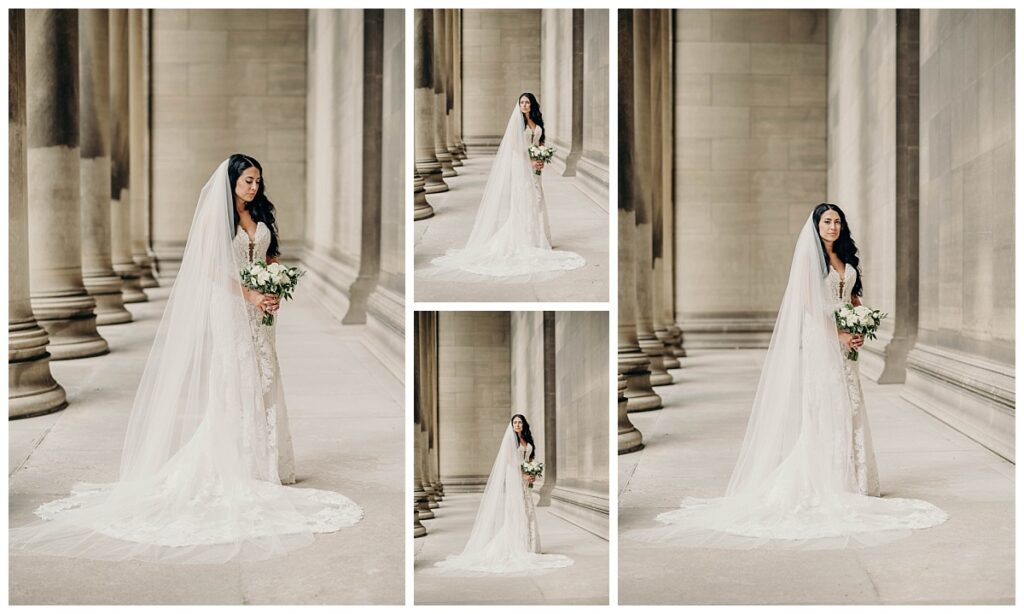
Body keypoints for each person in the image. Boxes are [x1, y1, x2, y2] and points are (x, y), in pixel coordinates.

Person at [10, 155, 362, 564]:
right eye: (248, 181)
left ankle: (266, 462)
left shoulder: (260, 213)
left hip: (260, 310)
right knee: (237, 376)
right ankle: (236, 461)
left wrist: (274, 285)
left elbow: (269, 255)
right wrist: (248, 293)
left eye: (257, 181)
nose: (254, 187)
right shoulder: (217, 221)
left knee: (266, 375)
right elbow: (211, 270)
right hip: (229, 306)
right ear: (231, 182)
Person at [627, 204, 948, 549]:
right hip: (821, 340)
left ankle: (854, 480)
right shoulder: (812, 261)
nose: (833, 227)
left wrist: (859, 325)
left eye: (837, 222)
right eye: (827, 221)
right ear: (816, 225)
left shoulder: (845, 259)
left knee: (850, 401)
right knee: (825, 402)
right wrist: (838, 334)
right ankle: (825, 478)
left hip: (844, 343)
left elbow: (853, 299)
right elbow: (811, 305)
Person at [429, 93, 585, 280]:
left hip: (535, 167)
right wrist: (531, 162)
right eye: (522, 102)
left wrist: (542, 156)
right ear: (519, 105)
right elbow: (515, 148)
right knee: (525, 199)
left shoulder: (536, 121)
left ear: (532, 104)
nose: (524, 105)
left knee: (537, 199)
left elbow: (539, 142)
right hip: (522, 166)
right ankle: (524, 239)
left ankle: (537, 238)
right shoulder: (517, 124)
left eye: (527, 102)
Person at [432, 414, 573, 574]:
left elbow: (528, 459)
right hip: (515, 477)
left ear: (524, 424)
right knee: (516, 510)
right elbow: (511, 463)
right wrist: (523, 475)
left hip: (525, 479)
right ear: (512, 425)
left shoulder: (527, 440)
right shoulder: (510, 441)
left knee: (527, 509)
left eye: (520, 422)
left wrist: (531, 472)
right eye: (515, 422)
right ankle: (515, 545)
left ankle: (529, 545)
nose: (518, 425)